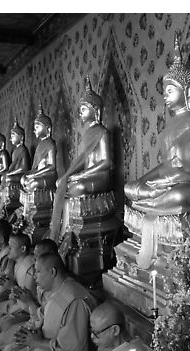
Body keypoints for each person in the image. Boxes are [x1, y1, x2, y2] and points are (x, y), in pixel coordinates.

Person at [123, 35, 190, 214]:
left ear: (187, 91)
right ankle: (154, 202)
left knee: (180, 196)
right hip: (164, 185)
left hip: (189, 184)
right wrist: (142, 181)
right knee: (129, 188)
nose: (165, 96)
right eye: (164, 92)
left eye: (170, 90)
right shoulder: (168, 127)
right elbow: (165, 164)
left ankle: (151, 205)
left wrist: (168, 180)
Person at [3, 253, 96, 351]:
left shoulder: (75, 300)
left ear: (52, 272)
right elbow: (41, 316)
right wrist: (30, 332)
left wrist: (36, 342)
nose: (35, 276)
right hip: (47, 350)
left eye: (39, 271)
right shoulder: (57, 292)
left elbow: (72, 350)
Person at [49, 76, 114, 241]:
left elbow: (106, 162)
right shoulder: (87, 133)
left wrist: (80, 175)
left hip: (100, 177)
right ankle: (65, 227)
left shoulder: (103, 132)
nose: (80, 113)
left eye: (84, 109)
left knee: (76, 187)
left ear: (95, 110)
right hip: (88, 174)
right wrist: (71, 175)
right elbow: (84, 160)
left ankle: (69, 229)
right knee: (60, 183)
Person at [0, 239, 58, 350]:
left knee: (6, 345)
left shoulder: (51, 284)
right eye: (34, 255)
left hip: (41, 329)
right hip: (31, 316)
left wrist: (28, 301)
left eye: (38, 257)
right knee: (0, 339)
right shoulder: (38, 274)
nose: (34, 259)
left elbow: (42, 319)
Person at [20, 104, 57, 193]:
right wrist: (32, 173)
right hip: (38, 174)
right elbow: (36, 165)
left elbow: (52, 166)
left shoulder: (50, 144)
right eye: (34, 128)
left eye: (37, 127)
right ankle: (30, 202)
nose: (34, 130)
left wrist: (36, 173)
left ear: (48, 128)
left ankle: (37, 203)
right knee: (23, 179)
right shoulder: (40, 145)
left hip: (48, 175)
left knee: (34, 183)